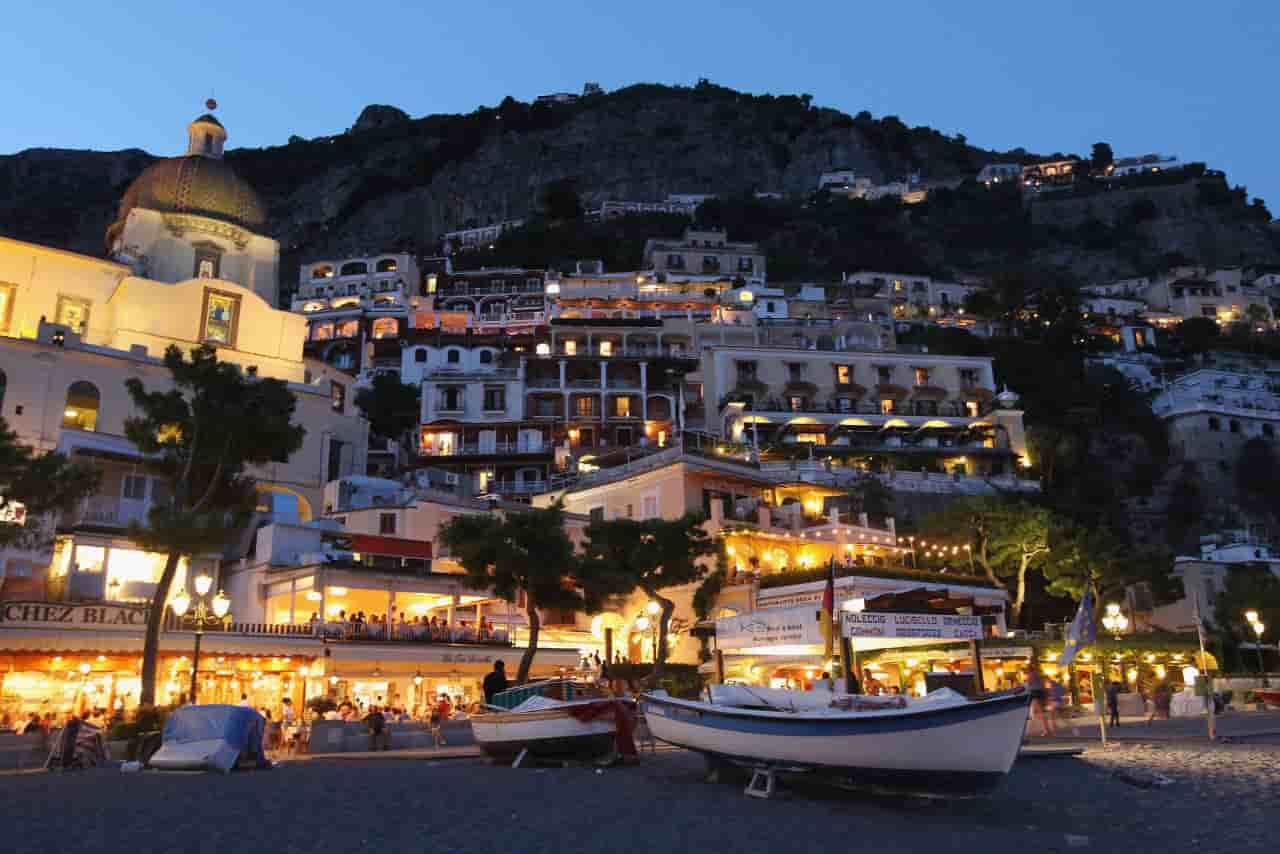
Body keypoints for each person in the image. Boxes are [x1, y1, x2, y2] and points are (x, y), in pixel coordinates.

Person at [1025, 664, 1048, 736]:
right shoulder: (1038, 674)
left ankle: (1045, 730)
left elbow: (1027, 685)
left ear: (1029, 669)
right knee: (1036, 713)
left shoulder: (1031, 675)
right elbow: (1043, 684)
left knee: (1037, 713)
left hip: (1035, 694)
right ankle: (1044, 729)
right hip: (1041, 693)